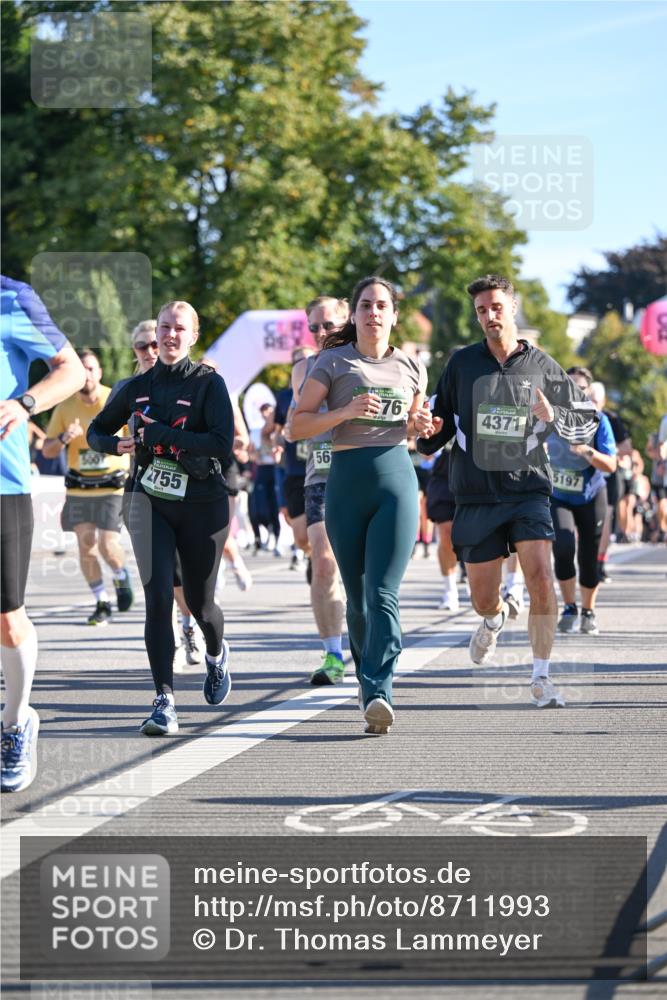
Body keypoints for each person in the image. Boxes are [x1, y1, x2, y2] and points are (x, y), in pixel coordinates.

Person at [417, 274, 600, 709]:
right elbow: (435, 427)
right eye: (482, 310)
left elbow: (585, 421)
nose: (489, 316)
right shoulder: (461, 364)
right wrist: (425, 430)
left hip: (528, 490)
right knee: (483, 597)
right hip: (476, 495)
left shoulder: (542, 364)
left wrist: (553, 411)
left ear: (513, 309)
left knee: (540, 575)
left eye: (496, 307)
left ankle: (541, 676)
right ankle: (494, 619)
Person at [87, 300, 234, 736]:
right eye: (162, 329)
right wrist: (117, 447)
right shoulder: (137, 386)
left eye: (177, 330)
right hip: (148, 501)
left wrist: (160, 434)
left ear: (192, 336)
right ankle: (164, 701)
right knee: (157, 601)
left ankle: (216, 653)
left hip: (203, 504)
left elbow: (221, 443)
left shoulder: (209, 384)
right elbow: (99, 428)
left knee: (201, 603)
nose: (167, 337)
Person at [293, 277, 432, 734]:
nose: (374, 312)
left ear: (394, 314)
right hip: (346, 484)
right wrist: (345, 412)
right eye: (366, 305)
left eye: (382, 305)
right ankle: (367, 677)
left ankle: (379, 689)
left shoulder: (412, 366)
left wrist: (420, 425)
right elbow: (297, 426)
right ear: (353, 315)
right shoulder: (332, 361)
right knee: (356, 600)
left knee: (382, 594)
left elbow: (416, 428)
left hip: (395, 479)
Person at [1, 275, 85, 791]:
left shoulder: (11, 297)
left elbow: (71, 370)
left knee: (7, 620)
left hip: (2, 483)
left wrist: (23, 404)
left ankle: (16, 722)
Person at [112, 321, 203, 668]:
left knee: (183, 577)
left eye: (154, 344)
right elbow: (100, 431)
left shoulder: (196, 382)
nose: (150, 351)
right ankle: (171, 643)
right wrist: (113, 445)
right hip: (140, 488)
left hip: (186, 491)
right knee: (159, 577)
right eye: (141, 347)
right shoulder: (128, 388)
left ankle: (190, 624)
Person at [42, 349, 134, 625]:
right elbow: (47, 450)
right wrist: (62, 438)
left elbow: (136, 439)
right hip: (80, 486)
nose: (87, 375)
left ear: (100, 373)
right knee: (86, 547)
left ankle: (120, 575)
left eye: (92, 369)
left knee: (107, 544)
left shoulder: (114, 400)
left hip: (112, 485)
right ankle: (101, 601)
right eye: (82, 370)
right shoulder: (65, 406)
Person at [286, 297, 348, 684]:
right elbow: (302, 419)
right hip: (321, 473)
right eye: (315, 327)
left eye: (329, 325)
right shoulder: (303, 368)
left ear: (347, 321)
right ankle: (332, 655)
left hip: (363, 473)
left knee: (358, 570)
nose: (321, 333)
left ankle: (367, 640)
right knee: (323, 562)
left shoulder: (369, 363)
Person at [549, 367, 617, 636]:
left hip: (591, 494)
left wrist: (586, 451)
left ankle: (588, 610)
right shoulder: (550, 417)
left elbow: (611, 465)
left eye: (580, 388)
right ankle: (569, 607)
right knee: (563, 546)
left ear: (588, 392)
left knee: (588, 556)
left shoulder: (599, 420)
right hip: (559, 495)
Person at [587, 380, 632, 581]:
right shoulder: (577, 417)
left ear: (603, 401)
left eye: (595, 400)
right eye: (589, 399)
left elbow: (626, 448)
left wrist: (606, 450)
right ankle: (586, 560)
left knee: (605, 521)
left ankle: (600, 563)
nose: (592, 404)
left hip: (608, 476)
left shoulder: (612, 419)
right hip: (584, 475)